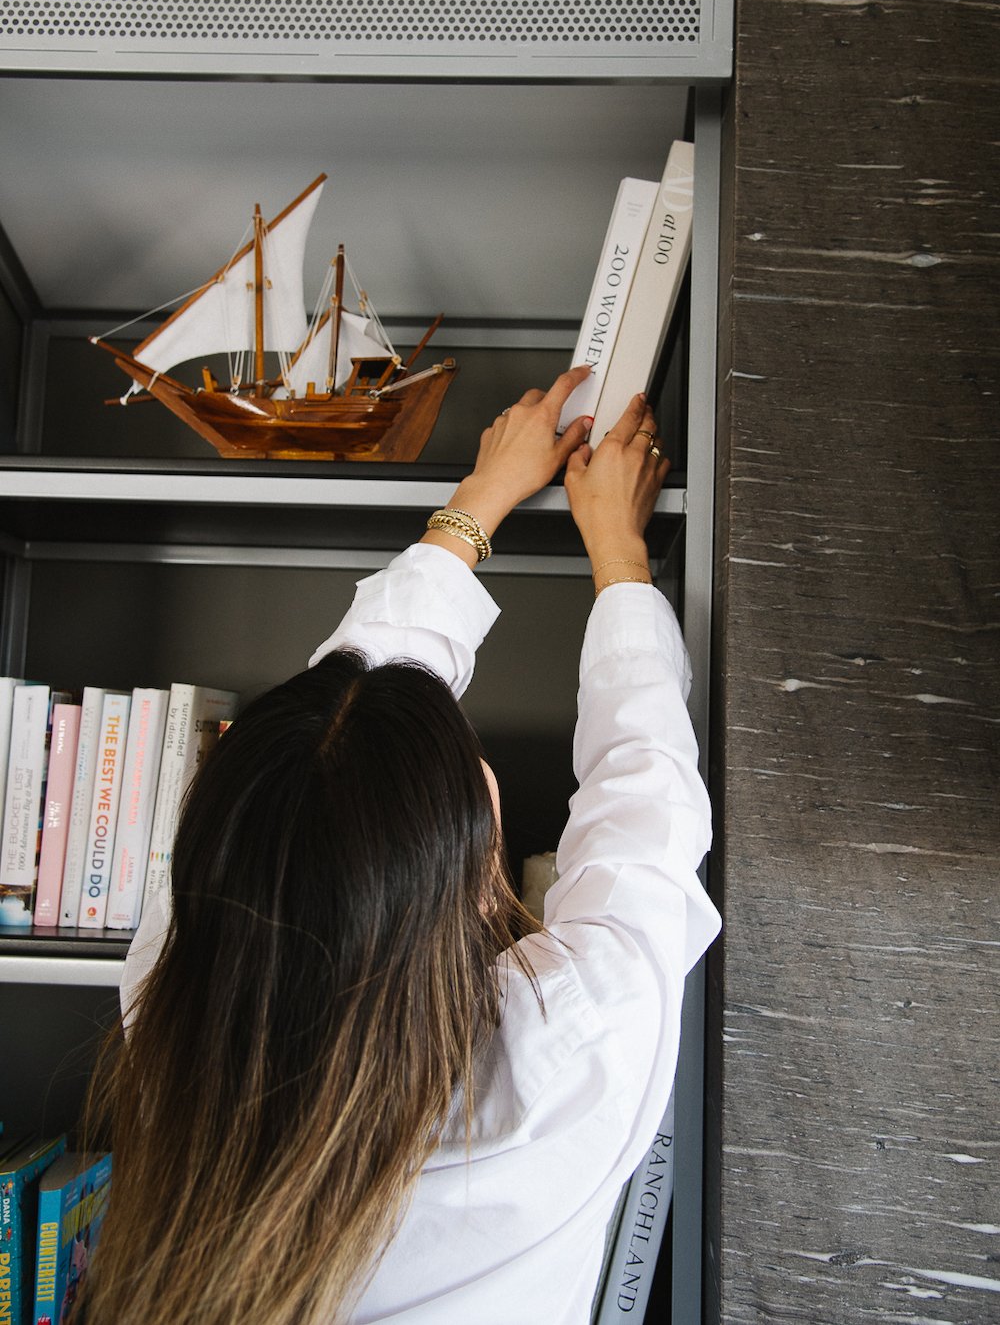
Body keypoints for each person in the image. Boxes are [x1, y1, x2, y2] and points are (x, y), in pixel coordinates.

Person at [75, 366, 721, 1325]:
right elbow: (644, 802)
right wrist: (615, 549)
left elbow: (330, 742)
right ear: (460, 881)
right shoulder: (551, 1061)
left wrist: (483, 506)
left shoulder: (178, 1007)